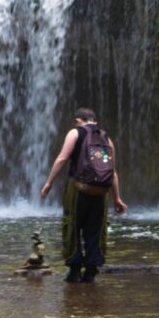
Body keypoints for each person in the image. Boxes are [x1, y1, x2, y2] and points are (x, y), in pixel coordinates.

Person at [40, 108, 128, 283]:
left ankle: (74, 271)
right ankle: (91, 271)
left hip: (77, 188)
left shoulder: (74, 133)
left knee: (72, 225)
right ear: (94, 120)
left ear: (78, 120)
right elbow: (113, 171)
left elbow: (62, 158)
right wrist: (117, 198)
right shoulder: (106, 138)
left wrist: (48, 183)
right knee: (95, 230)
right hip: (101, 191)